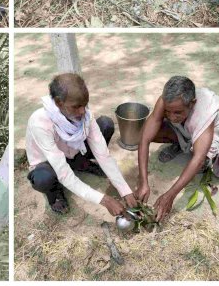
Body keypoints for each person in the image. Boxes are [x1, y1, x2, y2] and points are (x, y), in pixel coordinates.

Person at [26, 73, 138, 216]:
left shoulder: (85, 116)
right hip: (50, 164)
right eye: (76, 106)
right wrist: (104, 200)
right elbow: (63, 172)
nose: (82, 111)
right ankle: (55, 194)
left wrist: (125, 190)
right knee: (44, 179)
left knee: (105, 124)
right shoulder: (40, 123)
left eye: (84, 105)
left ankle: (82, 164)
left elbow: (103, 155)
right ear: (59, 102)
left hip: (73, 153)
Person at [136, 76, 219, 222]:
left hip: (204, 135)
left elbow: (197, 159)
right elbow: (144, 138)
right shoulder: (165, 101)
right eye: (168, 112)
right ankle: (179, 144)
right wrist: (143, 182)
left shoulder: (204, 110)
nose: (172, 117)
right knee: (151, 130)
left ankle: (199, 154)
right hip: (183, 130)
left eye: (177, 112)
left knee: (201, 158)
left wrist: (170, 195)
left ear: (192, 104)